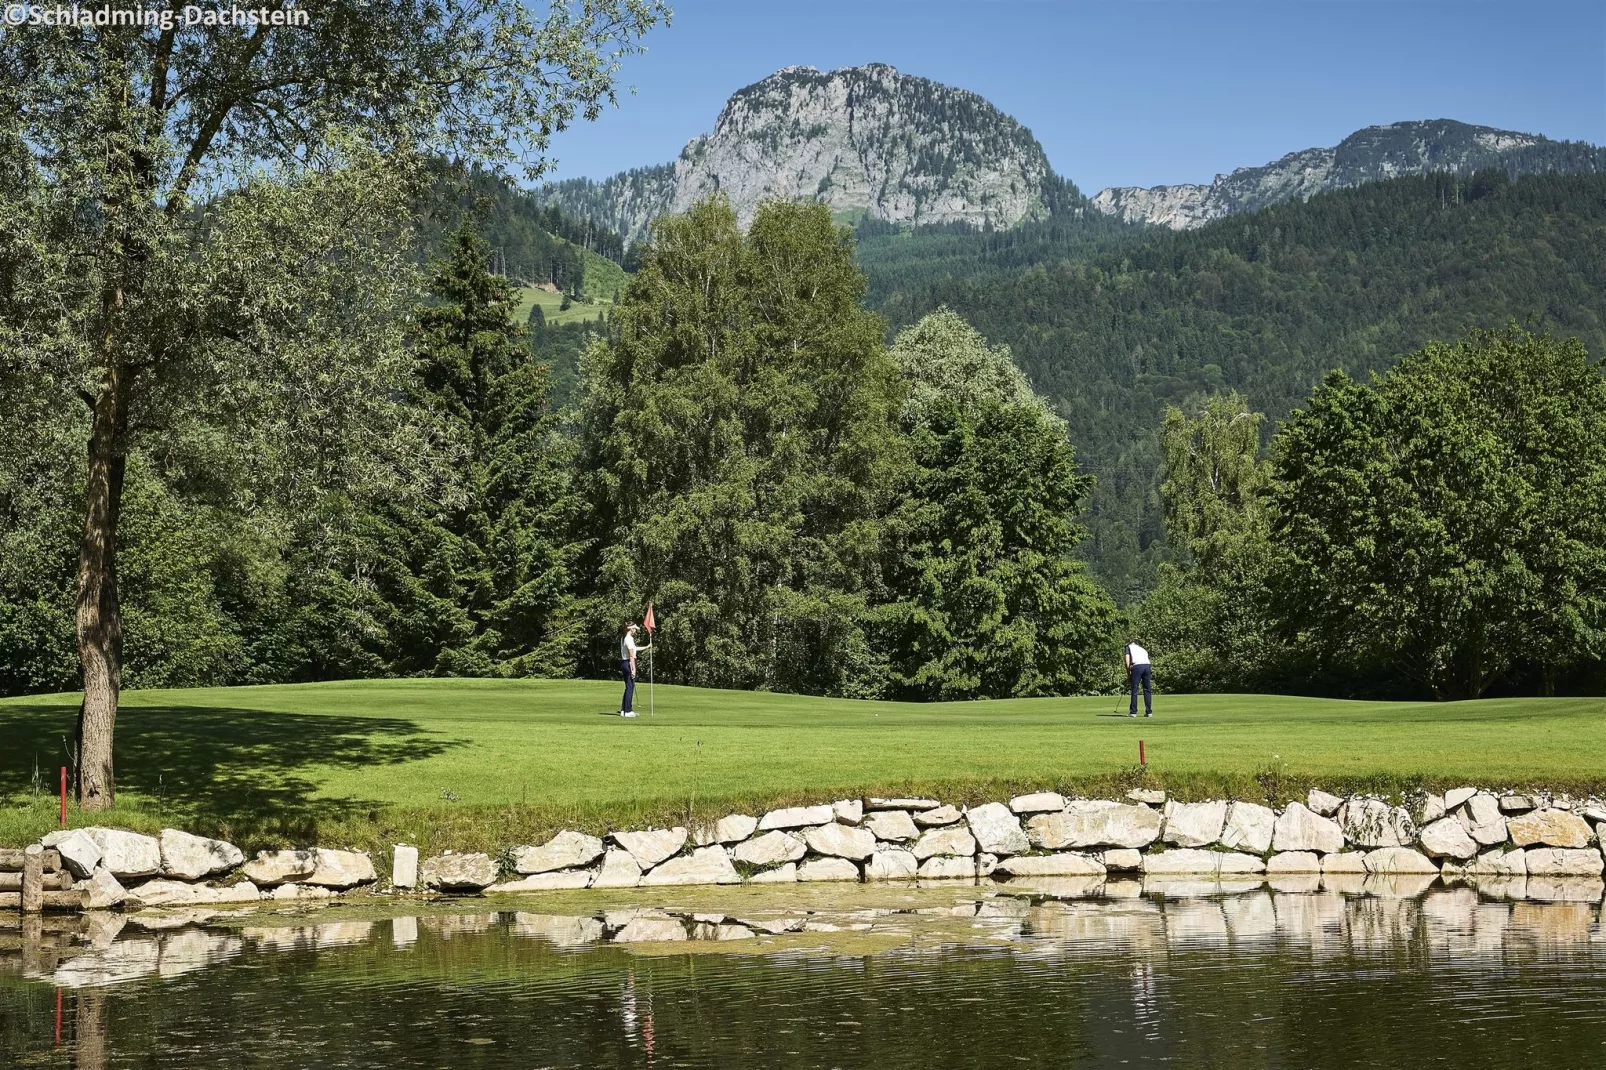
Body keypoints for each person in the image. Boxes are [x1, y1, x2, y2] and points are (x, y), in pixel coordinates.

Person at [618, 622, 651, 718]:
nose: (636, 630)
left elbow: (634, 649)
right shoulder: (628, 639)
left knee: (628, 687)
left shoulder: (626, 638)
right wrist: (633, 669)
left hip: (625, 663)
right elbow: (632, 655)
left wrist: (646, 647)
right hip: (629, 663)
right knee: (630, 687)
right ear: (630, 629)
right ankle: (628, 711)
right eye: (634, 629)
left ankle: (624, 710)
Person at [1124, 640, 1152, 718]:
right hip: (1147, 666)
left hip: (1137, 666)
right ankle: (1149, 712)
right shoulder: (1142, 649)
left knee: (1134, 689)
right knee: (1147, 689)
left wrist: (1128, 674)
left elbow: (1127, 661)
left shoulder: (1128, 647)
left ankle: (1133, 712)